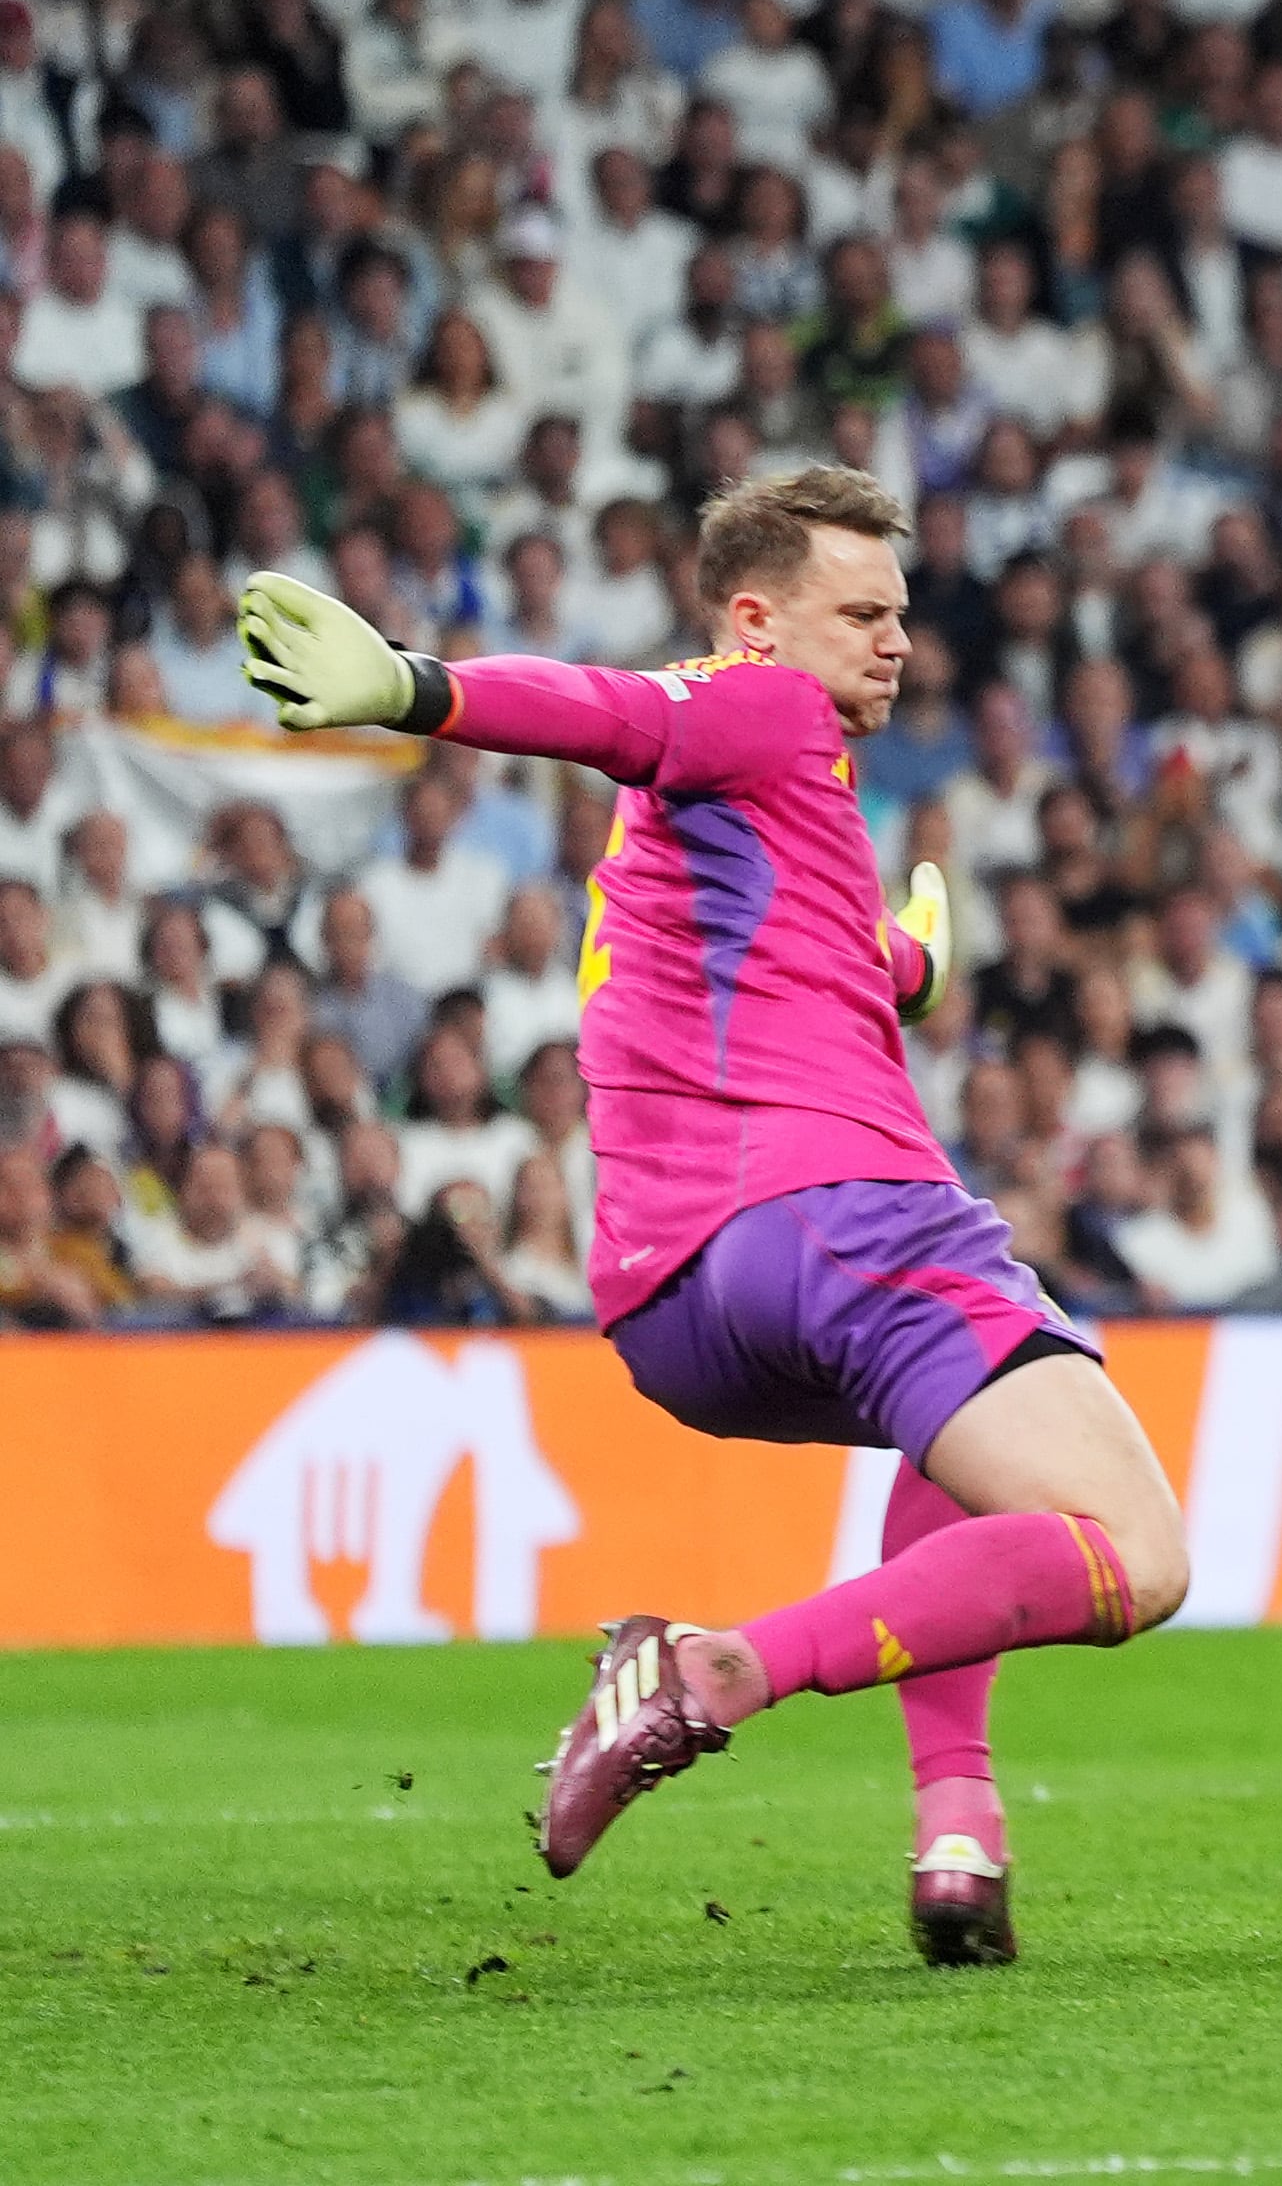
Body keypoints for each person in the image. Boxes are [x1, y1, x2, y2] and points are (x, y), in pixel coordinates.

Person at [239, 467, 1188, 1969]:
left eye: (900, 613)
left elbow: (795, 949)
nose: (895, 643)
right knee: (1134, 1550)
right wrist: (411, 689)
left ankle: (958, 1828)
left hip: (677, 1310)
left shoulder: (706, 829)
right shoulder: (758, 707)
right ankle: (717, 1666)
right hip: (836, 1212)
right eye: (859, 612)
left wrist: (911, 972)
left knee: (956, 1426)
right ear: (756, 619)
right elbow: (612, 708)